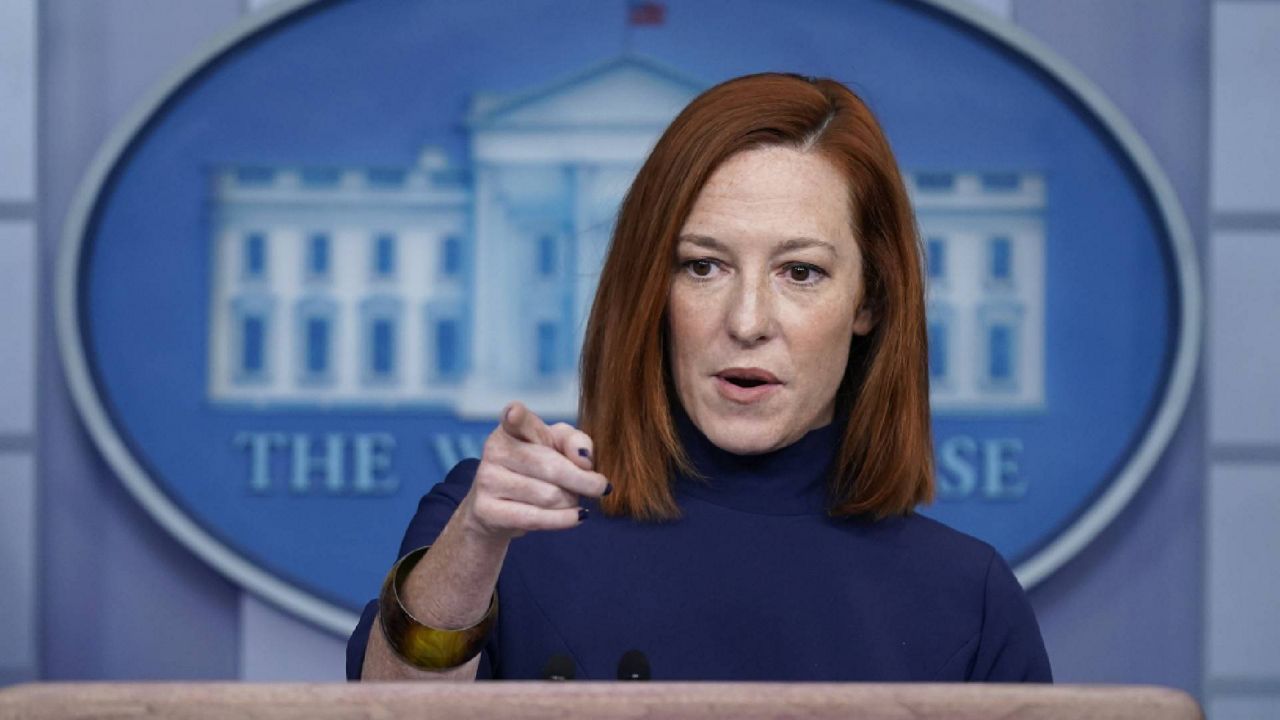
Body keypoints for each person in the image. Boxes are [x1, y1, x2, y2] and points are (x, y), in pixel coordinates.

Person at [347, 72, 1053, 682]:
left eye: (799, 272)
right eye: (703, 266)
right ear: (654, 289)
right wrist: (471, 548)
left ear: (869, 299)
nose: (747, 320)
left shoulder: (969, 597)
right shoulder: (500, 531)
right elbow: (387, 712)